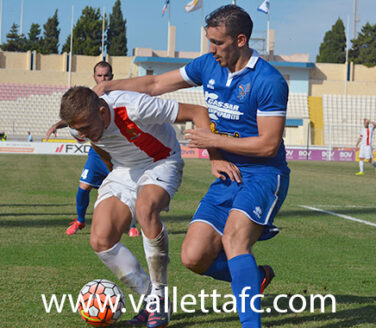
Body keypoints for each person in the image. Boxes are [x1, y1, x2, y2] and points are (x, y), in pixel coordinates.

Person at [93, 5, 290, 327]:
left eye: (218, 43)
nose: (211, 50)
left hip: (264, 174)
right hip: (228, 173)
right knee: (193, 257)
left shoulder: (268, 80)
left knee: (234, 240)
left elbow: (268, 144)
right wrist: (111, 87)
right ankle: (254, 276)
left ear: (240, 40)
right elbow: (156, 84)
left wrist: (213, 142)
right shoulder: (207, 65)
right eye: (209, 41)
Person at [60, 86, 212, 327]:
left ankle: (160, 296)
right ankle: (150, 298)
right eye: (78, 129)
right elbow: (98, 146)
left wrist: (217, 159)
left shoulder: (134, 107)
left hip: (161, 161)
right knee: (100, 240)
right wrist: (113, 172)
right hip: (123, 170)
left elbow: (197, 111)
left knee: (144, 209)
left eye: (86, 127)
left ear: (102, 111)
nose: (82, 133)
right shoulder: (78, 127)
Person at [46, 61, 140, 237]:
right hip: (97, 153)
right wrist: (57, 125)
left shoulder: (120, 96)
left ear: (111, 77)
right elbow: (75, 117)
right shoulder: (88, 98)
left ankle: (132, 225)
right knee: (83, 187)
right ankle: (80, 221)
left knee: (127, 189)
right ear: (94, 77)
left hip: (119, 153)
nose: (103, 79)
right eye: (99, 76)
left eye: (106, 76)